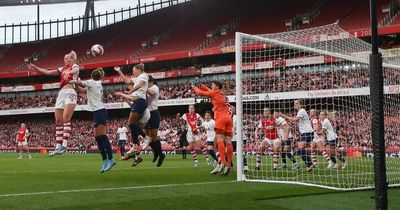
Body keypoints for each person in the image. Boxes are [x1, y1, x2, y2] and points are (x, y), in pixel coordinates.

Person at [28, 51, 79, 156]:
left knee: (66, 119)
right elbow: (47, 72)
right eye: (64, 58)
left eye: (67, 58)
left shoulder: (74, 66)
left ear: (72, 59)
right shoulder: (62, 69)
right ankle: (58, 147)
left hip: (70, 92)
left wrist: (69, 73)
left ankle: (64, 146)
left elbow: (76, 69)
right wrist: (35, 67)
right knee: (58, 120)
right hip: (61, 94)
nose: (65, 60)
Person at [72, 68, 115, 173]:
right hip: (97, 112)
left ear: (92, 76)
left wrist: (73, 77)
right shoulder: (96, 84)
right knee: (97, 137)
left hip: (99, 111)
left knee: (102, 137)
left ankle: (111, 159)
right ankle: (105, 160)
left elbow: (78, 82)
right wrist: (77, 84)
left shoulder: (92, 82)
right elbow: (82, 90)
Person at [114, 64, 151, 167]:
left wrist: (129, 92)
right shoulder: (137, 78)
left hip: (140, 102)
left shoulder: (143, 76)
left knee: (131, 123)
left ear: (139, 70)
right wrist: (119, 71)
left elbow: (139, 85)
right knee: (132, 126)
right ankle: (135, 149)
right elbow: (127, 81)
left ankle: (146, 138)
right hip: (138, 102)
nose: (133, 72)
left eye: (134, 70)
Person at [194, 81, 233, 175]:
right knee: (228, 141)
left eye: (212, 85)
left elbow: (200, 93)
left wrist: (194, 87)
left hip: (220, 118)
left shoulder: (214, 93)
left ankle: (223, 161)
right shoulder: (221, 92)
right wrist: (202, 85)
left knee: (219, 139)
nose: (211, 86)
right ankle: (229, 165)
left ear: (216, 86)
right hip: (228, 118)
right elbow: (209, 90)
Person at [283, 100, 314, 171]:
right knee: (299, 149)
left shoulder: (302, 111)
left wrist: (284, 116)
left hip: (307, 132)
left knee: (300, 149)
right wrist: (289, 120)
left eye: (297, 103)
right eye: (294, 104)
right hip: (306, 133)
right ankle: (309, 164)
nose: (295, 105)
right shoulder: (300, 112)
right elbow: (296, 122)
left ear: (301, 105)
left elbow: (296, 119)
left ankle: (310, 164)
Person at [143, 75, 165, 167]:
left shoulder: (154, 87)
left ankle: (160, 154)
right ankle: (157, 152)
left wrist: (143, 87)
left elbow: (151, 93)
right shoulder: (146, 88)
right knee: (147, 136)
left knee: (153, 136)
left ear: (150, 81)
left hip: (153, 113)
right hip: (146, 113)